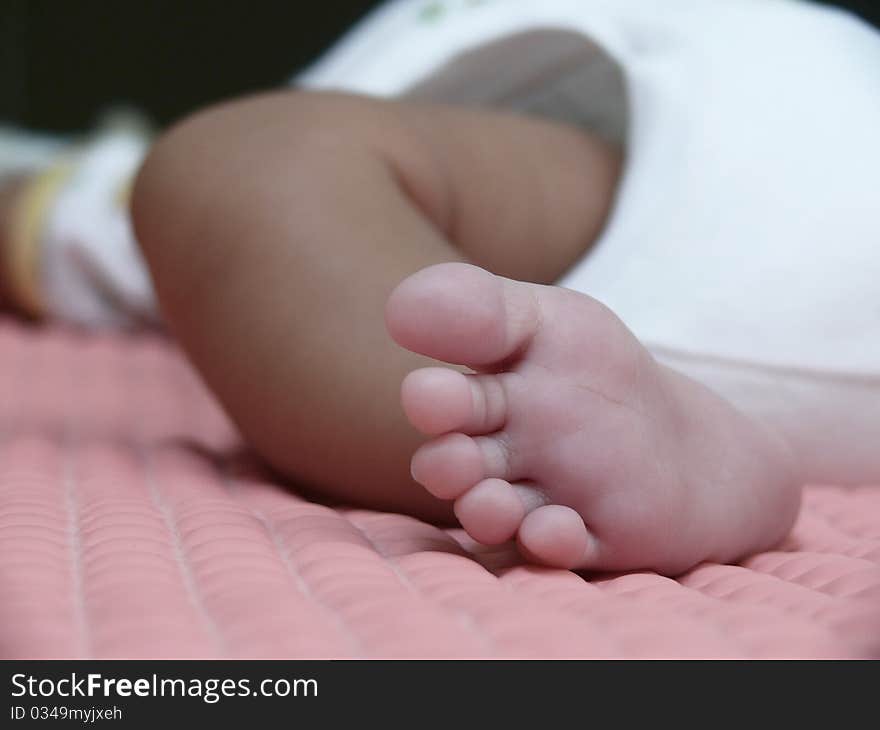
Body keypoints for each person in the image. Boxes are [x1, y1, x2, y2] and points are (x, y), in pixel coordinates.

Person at [1, 0, 878, 574]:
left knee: (231, 166)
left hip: (705, 130)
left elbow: (40, 219)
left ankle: (576, 441)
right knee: (241, 173)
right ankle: (598, 441)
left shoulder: (105, 209)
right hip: (799, 116)